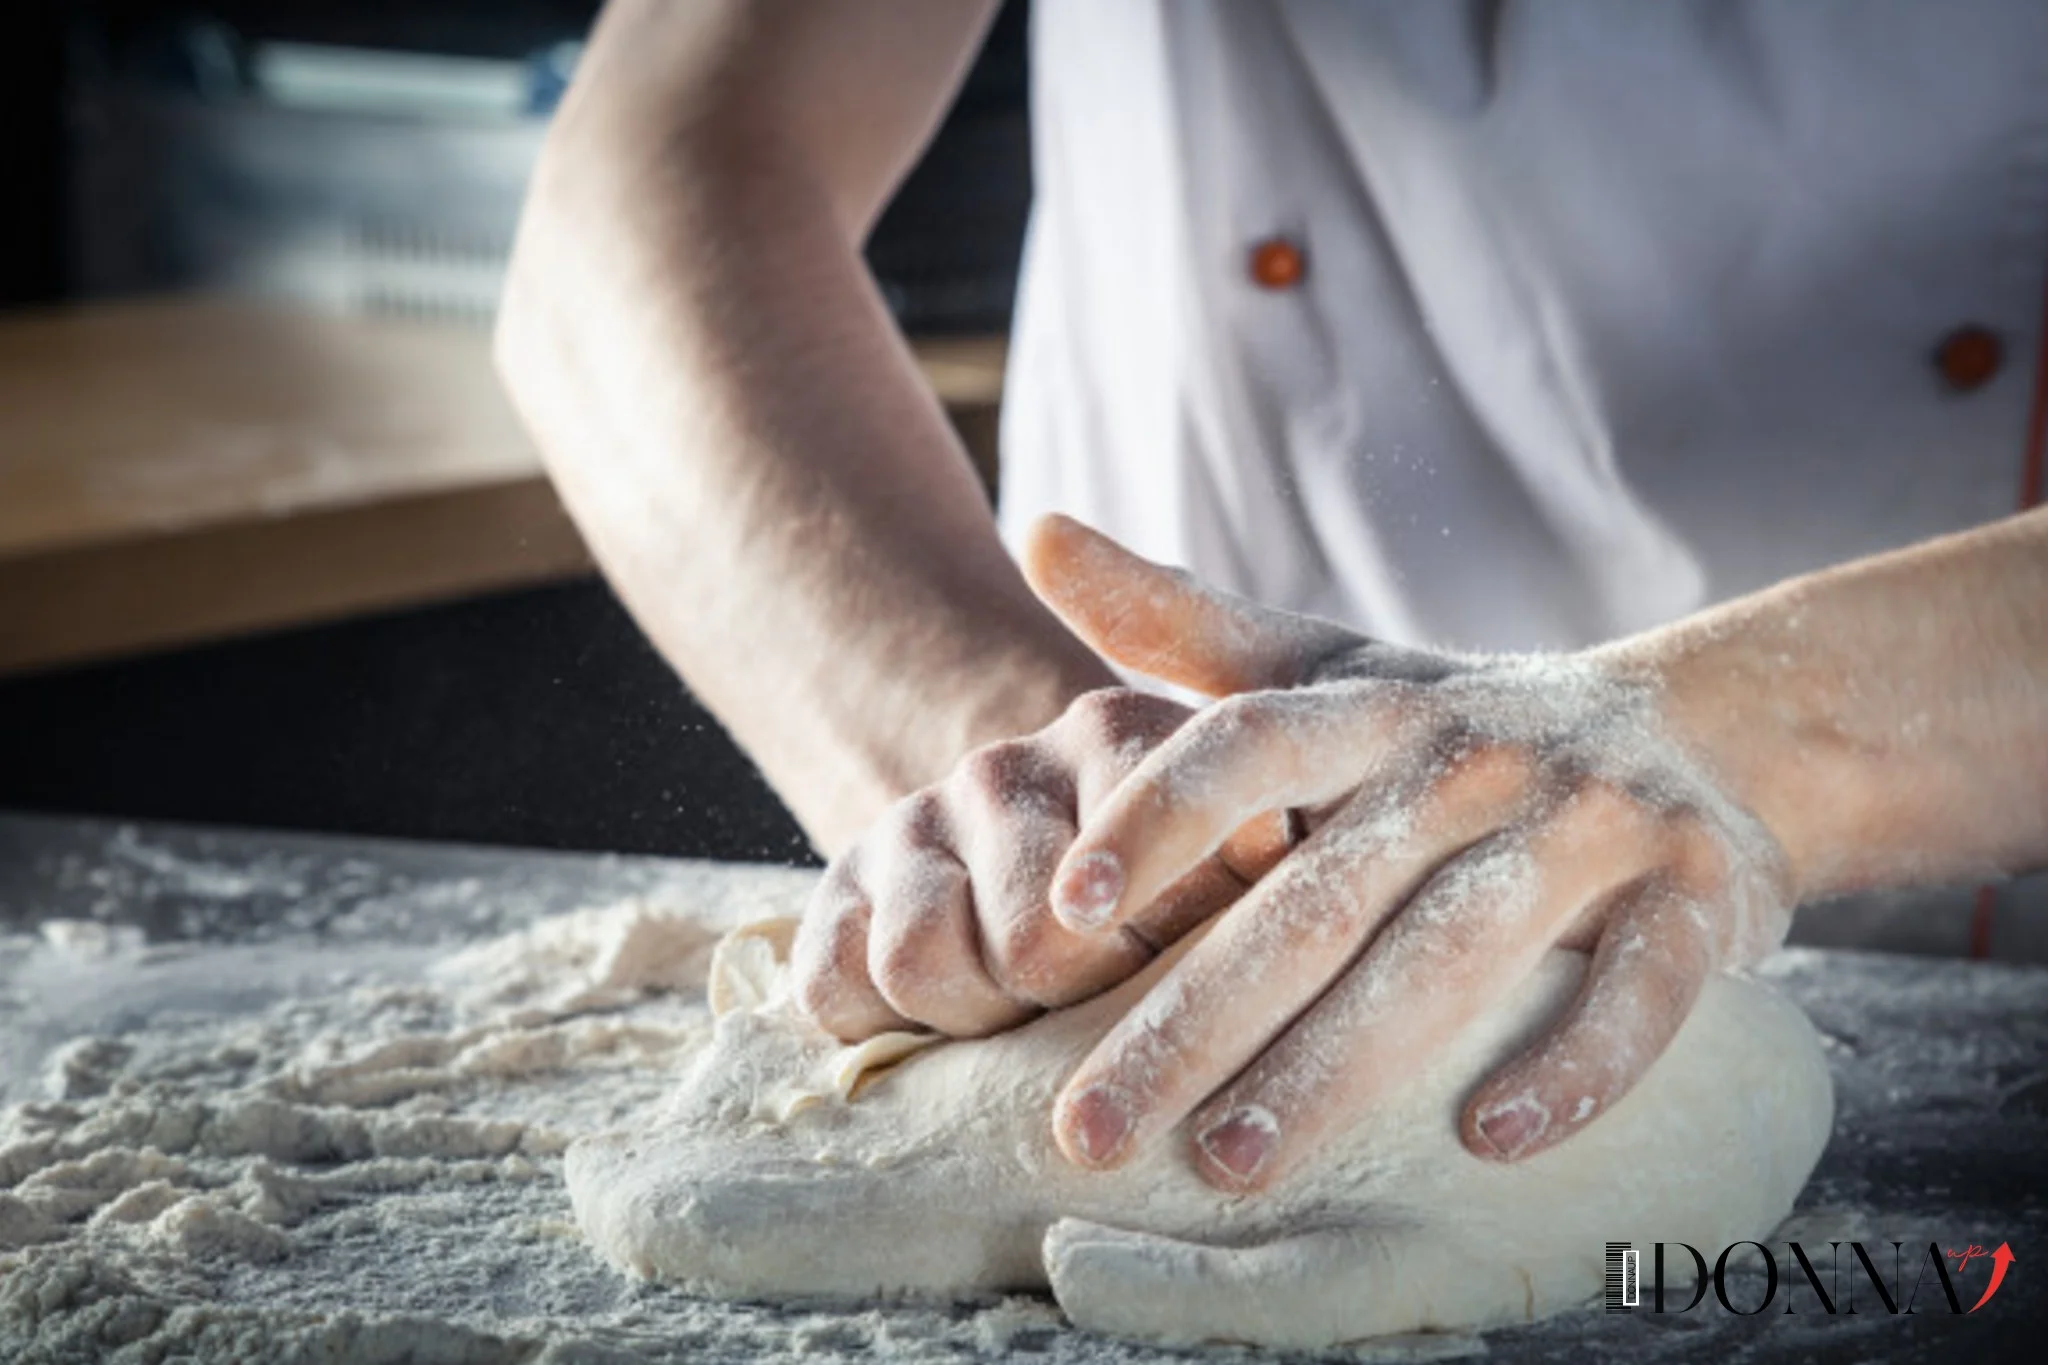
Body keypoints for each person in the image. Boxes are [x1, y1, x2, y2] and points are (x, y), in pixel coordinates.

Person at [495, 0, 2048, 1193]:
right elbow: (652, 182)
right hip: (1144, 851)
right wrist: (1060, 800)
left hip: (1949, 893)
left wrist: (1740, 747)